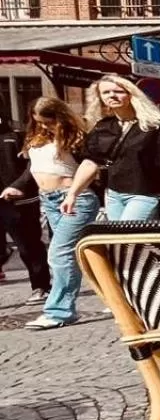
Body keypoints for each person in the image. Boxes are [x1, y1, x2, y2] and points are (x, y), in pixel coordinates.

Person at [3, 98, 98, 329]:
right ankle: (116, 297)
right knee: (78, 255)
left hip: (75, 200)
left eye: (49, 122)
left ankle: (59, 311)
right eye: (40, 122)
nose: (45, 126)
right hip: (50, 201)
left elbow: (92, 167)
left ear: (60, 116)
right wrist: (17, 185)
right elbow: (31, 169)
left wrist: (74, 193)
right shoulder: (36, 138)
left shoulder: (76, 137)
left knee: (59, 254)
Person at [67, 75, 160, 221]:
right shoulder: (103, 126)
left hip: (144, 194)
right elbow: (90, 163)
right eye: (106, 92)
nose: (112, 95)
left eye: (118, 91)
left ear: (131, 94)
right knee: (119, 242)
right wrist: (72, 194)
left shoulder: (154, 126)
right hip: (113, 195)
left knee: (129, 236)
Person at [0, 115, 50, 302]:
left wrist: (19, 185)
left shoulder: (16, 135)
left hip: (17, 199)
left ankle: (41, 286)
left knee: (28, 246)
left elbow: (33, 165)